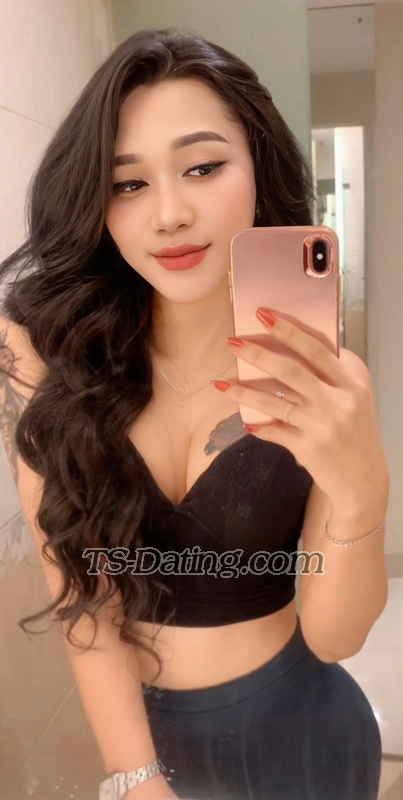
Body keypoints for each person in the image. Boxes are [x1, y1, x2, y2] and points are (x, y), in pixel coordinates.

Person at [0, 28, 390, 800]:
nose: (169, 214)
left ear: (258, 170)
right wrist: (136, 778)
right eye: (127, 184)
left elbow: (334, 636)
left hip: (304, 730)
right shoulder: (47, 353)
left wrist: (361, 491)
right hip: (145, 741)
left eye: (203, 167)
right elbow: (82, 592)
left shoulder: (322, 376)